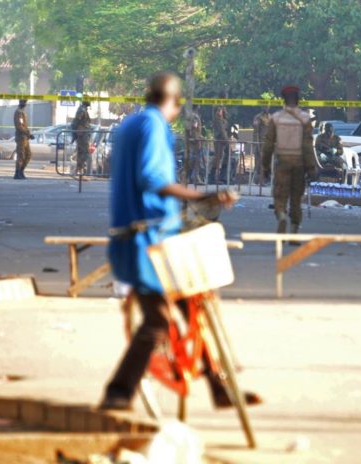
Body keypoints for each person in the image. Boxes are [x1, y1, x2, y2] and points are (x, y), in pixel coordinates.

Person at [101, 72, 262, 411]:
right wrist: (206, 194)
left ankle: (219, 386)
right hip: (146, 243)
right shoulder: (155, 125)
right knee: (157, 322)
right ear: (174, 103)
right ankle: (118, 393)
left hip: (145, 236)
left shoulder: (130, 125)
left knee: (193, 305)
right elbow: (154, 179)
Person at [261, 85, 317, 236]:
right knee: (296, 197)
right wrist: (311, 167)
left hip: (282, 162)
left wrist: (264, 166)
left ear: (283, 99)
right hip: (299, 164)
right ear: (298, 99)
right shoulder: (305, 119)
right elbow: (308, 146)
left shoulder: (276, 118)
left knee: (280, 195)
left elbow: (268, 145)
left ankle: (281, 216)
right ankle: (294, 231)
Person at [13, 100, 34, 180]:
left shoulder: (22, 112)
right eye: (23, 102)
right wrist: (28, 134)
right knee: (21, 155)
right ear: (20, 103)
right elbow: (19, 126)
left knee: (28, 155)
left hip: (25, 137)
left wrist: (28, 134)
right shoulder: (18, 112)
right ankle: (17, 173)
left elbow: (24, 125)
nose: (25, 104)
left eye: (25, 103)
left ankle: (21, 171)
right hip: (21, 137)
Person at [72, 101, 92, 174]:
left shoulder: (84, 109)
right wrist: (76, 132)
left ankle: (80, 168)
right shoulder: (82, 110)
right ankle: (80, 167)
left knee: (81, 152)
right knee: (84, 152)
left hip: (84, 133)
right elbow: (76, 121)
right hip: (82, 134)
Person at [252, 107, 271, 185]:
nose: (266, 107)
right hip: (260, 142)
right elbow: (256, 132)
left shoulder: (271, 117)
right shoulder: (258, 117)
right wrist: (256, 143)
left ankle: (266, 179)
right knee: (259, 162)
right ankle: (258, 180)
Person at [187, 107, 204, 184]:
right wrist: (198, 138)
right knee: (197, 160)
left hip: (192, 141)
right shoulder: (195, 117)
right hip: (195, 142)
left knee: (194, 160)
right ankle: (195, 178)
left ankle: (194, 177)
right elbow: (195, 128)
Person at [212, 107, 229, 184]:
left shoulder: (223, 119)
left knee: (220, 158)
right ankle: (214, 177)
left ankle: (219, 177)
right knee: (218, 159)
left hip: (222, 141)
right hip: (219, 140)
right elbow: (221, 130)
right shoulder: (218, 118)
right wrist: (226, 140)